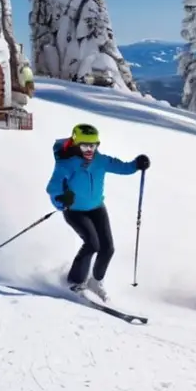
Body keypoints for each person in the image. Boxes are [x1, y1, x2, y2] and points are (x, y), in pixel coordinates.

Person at [45, 123, 150, 301]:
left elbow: (122, 167)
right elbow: (53, 188)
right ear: (75, 144)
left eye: (93, 145)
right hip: (75, 211)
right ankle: (74, 282)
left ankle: (95, 282)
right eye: (85, 145)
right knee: (92, 244)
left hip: (97, 209)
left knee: (108, 248)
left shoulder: (100, 161)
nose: (89, 149)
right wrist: (62, 200)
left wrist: (137, 164)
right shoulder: (66, 165)